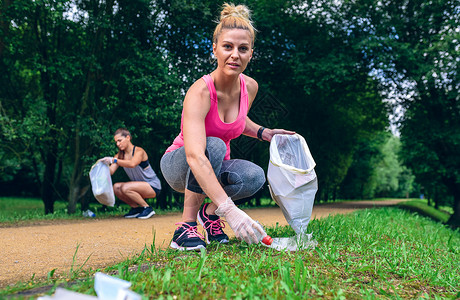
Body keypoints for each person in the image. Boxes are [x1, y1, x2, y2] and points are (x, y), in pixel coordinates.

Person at [160, 3, 294, 250]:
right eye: (227, 47)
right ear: (215, 50)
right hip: (179, 165)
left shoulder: (250, 87)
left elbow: (236, 121)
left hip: (214, 162)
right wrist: (231, 211)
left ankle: (209, 216)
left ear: (251, 53)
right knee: (213, 145)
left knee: (253, 176)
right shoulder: (199, 92)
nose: (235, 55)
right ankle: (186, 227)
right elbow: (195, 156)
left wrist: (264, 132)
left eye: (243, 49)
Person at [100, 128, 161, 219]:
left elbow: (132, 164)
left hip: (153, 186)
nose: (118, 144)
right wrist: (101, 167)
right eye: (116, 142)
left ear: (128, 138)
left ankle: (147, 208)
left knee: (125, 187)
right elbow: (111, 171)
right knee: (116, 187)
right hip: (136, 187)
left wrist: (114, 160)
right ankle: (136, 209)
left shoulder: (139, 151)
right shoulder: (120, 156)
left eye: (120, 140)